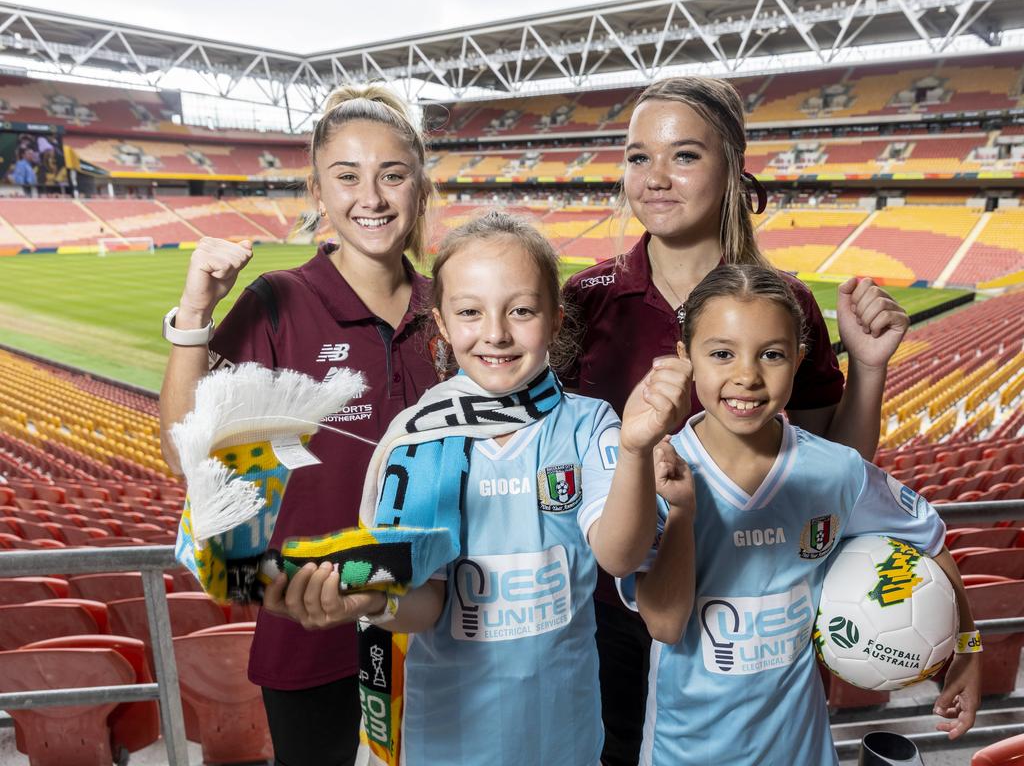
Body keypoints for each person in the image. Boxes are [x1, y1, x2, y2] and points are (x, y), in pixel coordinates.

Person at [561, 75, 912, 766]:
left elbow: (831, 463)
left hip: (755, 613)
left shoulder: (785, 302)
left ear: (731, 167)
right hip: (606, 612)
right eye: (638, 157)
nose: (656, 178)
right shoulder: (582, 301)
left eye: (684, 156)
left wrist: (869, 369)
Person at [263, 210, 692, 765]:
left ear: (557, 321)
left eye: (521, 310)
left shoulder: (591, 425)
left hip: (568, 741)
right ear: (441, 324)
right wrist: (374, 598)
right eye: (470, 312)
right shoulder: (420, 439)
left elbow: (619, 555)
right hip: (449, 744)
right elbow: (423, 603)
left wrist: (635, 449)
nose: (496, 333)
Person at [159, 83, 438, 766]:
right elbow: (187, 458)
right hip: (310, 629)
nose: (370, 197)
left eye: (392, 174)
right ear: (319, 191)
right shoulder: (280, 300)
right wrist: (194, 316)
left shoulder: (452, 309)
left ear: (420, 187)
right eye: (347, 176)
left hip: (438, 628)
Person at [621, 263, 981, 765]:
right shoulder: (660, 469)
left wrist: (967, 648)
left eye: (771, 354)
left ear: (798, 360)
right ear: (686, 359)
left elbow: (928, 536)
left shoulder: (834, 470)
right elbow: (663, 623)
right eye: (721, 353)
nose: (746, 375)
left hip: (802, 749)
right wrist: (682, 510)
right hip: (686, 750)